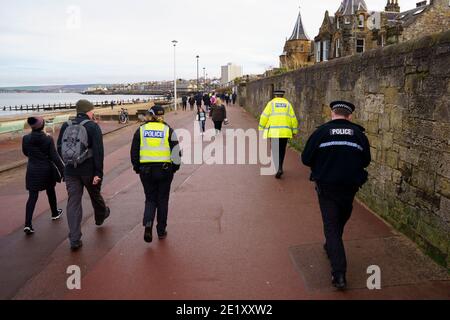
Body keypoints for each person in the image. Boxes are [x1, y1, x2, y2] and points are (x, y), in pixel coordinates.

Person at [301, 101, 371, 290]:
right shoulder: (358, 135)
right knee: (340, 219)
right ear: (349, 116)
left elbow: (306, 158)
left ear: (332, 113)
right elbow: (366, 160)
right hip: (350, 188)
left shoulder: (321, 133)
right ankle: (334, 254)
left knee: (332, 226)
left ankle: (339, 274)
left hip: (327, 187)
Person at [57, 100, 110, 251]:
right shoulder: (92, 126)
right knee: (95, 195)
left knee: (73, 203)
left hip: (70, 171)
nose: (93, 113)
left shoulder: (66, 125)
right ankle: (101, 216)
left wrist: (68, 162)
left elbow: (59, 147)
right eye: (92, 110)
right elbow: (99, 151)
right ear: (88, 111)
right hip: (89, 171)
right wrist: (98, 172)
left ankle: (74, 239)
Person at [130, 106, 181, 243]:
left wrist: (137, 168)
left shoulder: (141, 130)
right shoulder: (168, 130)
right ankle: (161, 230)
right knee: (163, 199)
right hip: (165, 170)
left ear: (150, 115)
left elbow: (134, 152)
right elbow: (176, 152)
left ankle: (148, 223)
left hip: (146, 171)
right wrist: (175, 168)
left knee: (150, 198)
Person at [22, 117, 65, 235]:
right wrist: (63, 171)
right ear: (42, 126)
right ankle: (54, 213)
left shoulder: (26, 138)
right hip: (46, 169)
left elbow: (25, 152)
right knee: (50, 191)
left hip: (32, 170)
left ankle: (28, 224)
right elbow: (54, 156)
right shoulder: (48, 138)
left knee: (32, 197)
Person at [258, 90, 298, 179]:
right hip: (285, 132)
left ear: (275, 95)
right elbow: (293, 118)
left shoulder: (271, 103)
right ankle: (280, 166)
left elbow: (264, 116)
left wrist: (261, 128)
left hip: (274, 132)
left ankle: (277, 168)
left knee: (275, 150)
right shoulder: (288, 104)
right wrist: (294, 131)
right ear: (283, 95)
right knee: (282, 150)